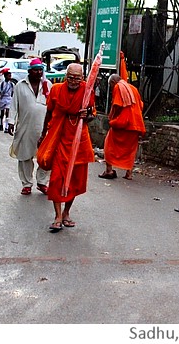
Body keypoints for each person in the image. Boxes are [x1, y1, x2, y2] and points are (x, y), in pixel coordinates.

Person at [38, 63, 95, 231]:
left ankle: (66, 213)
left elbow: (92, 114)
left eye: (77, 78)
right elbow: (49, 113)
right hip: (59, 138)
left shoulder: (87, 90)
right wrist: (43, 134)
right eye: (70, 77)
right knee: (57, 179)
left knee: (75, 180)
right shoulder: (56, 90)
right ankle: (57, 215)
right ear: (65, 76)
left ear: (82, 78)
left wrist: (86, 115)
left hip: (79, 141)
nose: (73, 81)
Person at [8, 58, 52, 196]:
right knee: (24, 156)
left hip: (45, 128)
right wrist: (10, 121)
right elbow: (14, 105)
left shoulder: (48, 85)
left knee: (46, 156)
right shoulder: (20, 86)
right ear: (29, 71)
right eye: (36, 70)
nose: (39, 72)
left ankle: (42, 182)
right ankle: (26, 184)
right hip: (25, 127)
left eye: (40, 70)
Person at [99, 73, 146, 180]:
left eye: (110, 86)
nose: (111, 88)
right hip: (136, 124)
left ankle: (109, 170)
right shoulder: (133, 88)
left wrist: (112, 118)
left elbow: (117, 105)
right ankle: (128, 173)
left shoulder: (118, 86)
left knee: (109, 145)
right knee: (130, 149)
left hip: (123, 123)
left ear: (112, 82)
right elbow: (141, 105)